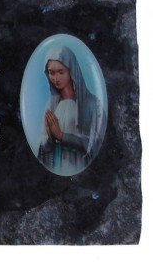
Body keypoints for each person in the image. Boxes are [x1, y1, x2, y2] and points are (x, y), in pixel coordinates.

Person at [37, 46, 105, 176]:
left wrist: (62, 136)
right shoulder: (50, 106)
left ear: (72, 71)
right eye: (51, 72)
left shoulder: (92, 104)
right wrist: (49, 139)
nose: (56, 78)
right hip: (55, 169)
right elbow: (42, 145)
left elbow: (97, 143)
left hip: (81, 173)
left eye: (61, 72)